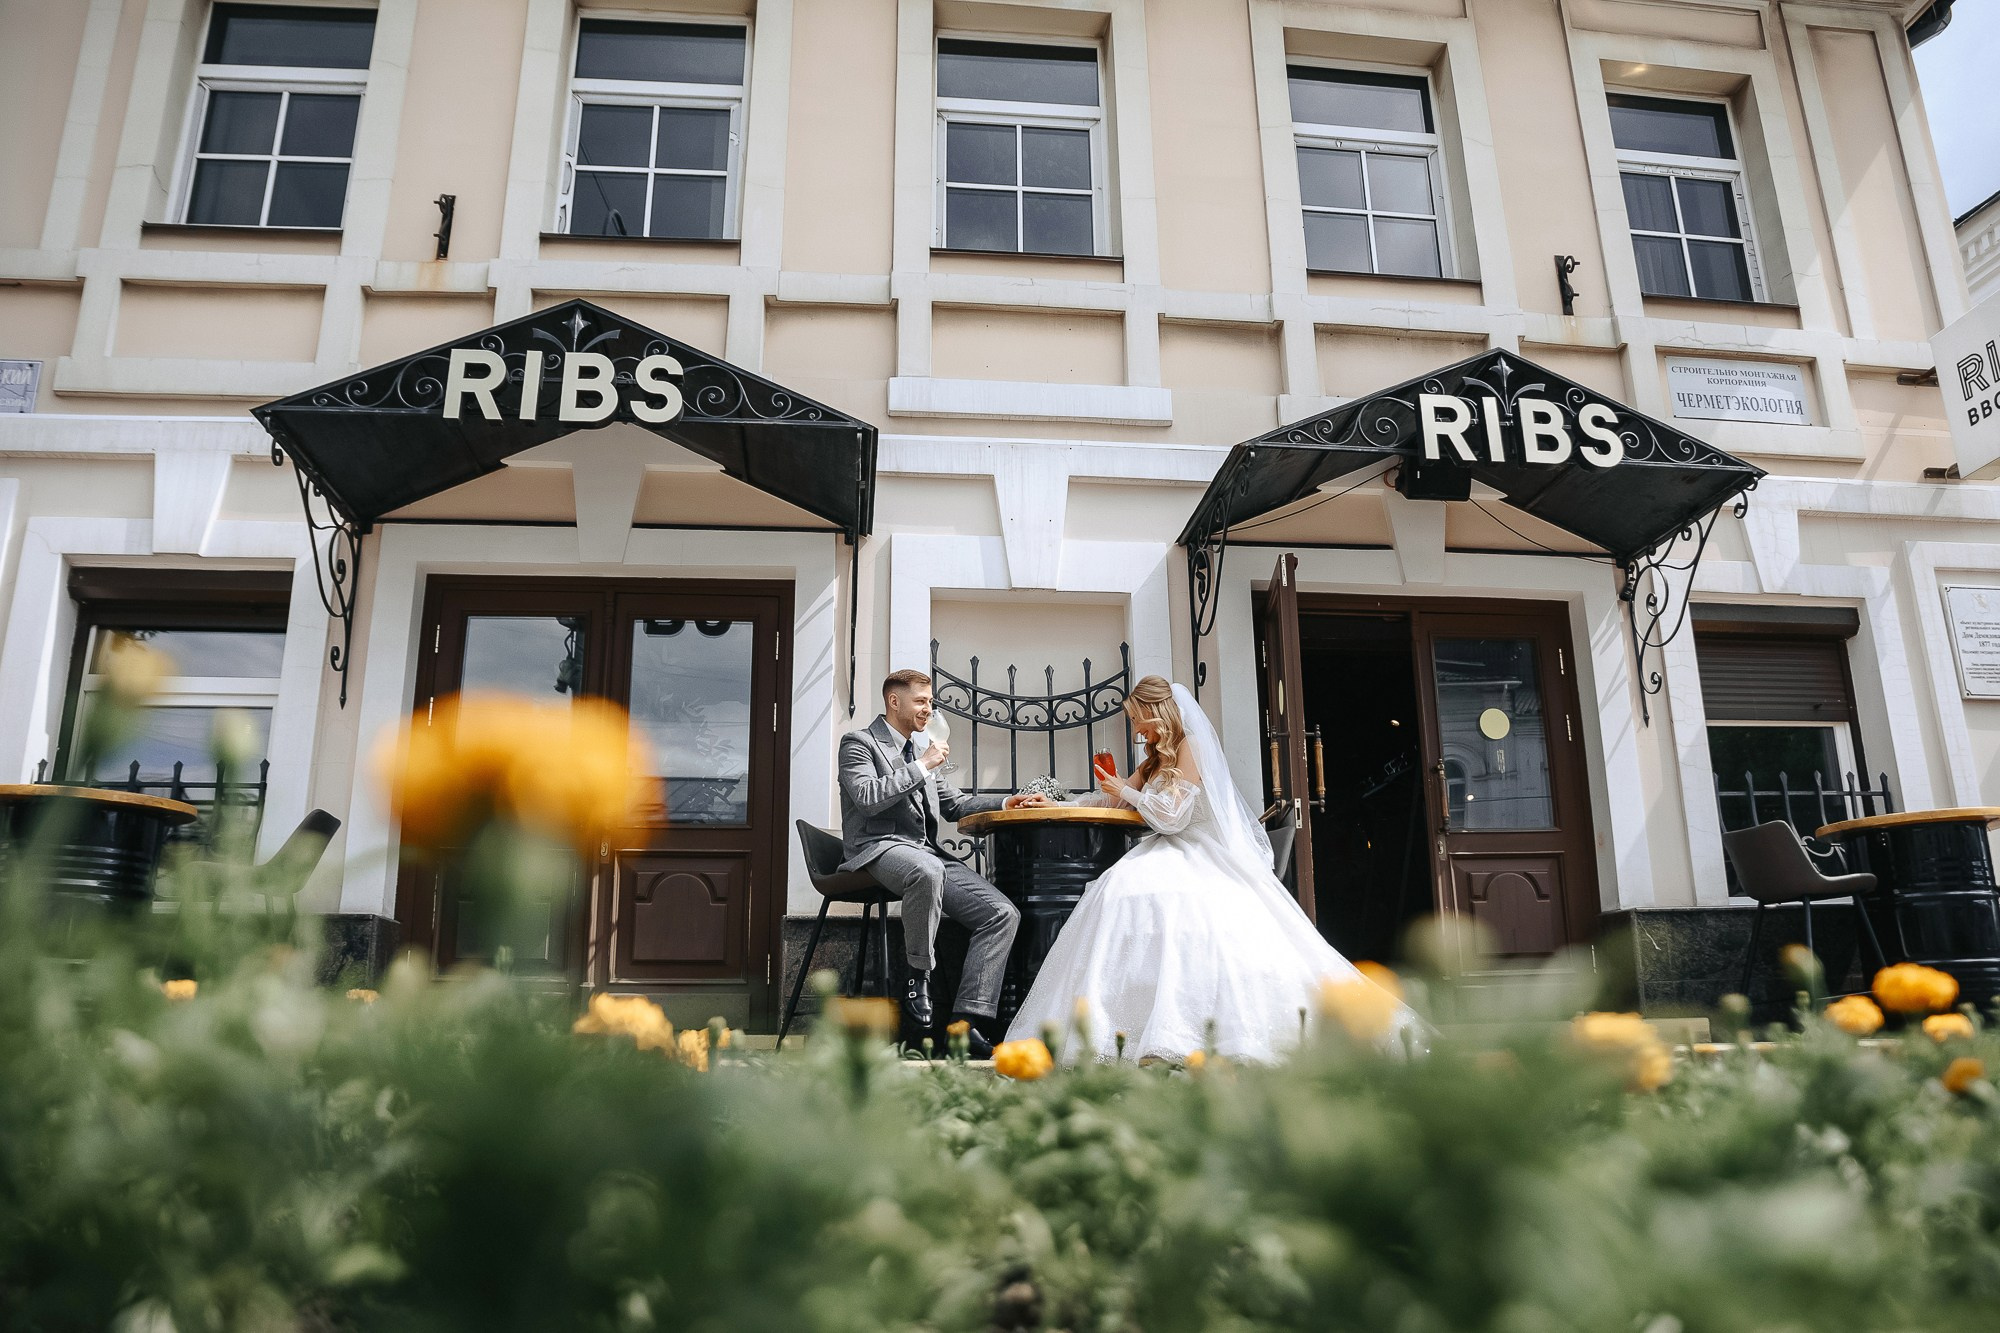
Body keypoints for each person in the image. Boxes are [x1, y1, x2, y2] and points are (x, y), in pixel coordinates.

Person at [1006, 675, 1421, 1064]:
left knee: (1140, 892)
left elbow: (1173, 819)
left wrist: (1126, 789)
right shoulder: (1154, 759)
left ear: (1158, 713)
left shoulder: (1193, 747)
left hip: (1196, 849)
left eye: (1138, 721)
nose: (1136, 732)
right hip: (1165, 849)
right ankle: (1120, 1026)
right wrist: (1061, 804)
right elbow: (1112, 804)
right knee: (1117, 888)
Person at [838, 668, 1048, 1056]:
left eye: (931, 702)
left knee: (1002, 913)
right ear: (894, 701)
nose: (928, 710)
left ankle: (966, 1023)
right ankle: (919, 979)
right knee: (927, 869)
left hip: (925, 854)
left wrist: (1007, 801)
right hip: (879, 847)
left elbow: (956, 804)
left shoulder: (920, 753)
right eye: (921, 701)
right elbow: (867, 797)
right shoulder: (859, 743)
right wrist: (922, 767)